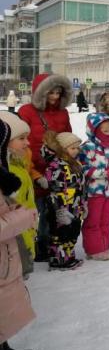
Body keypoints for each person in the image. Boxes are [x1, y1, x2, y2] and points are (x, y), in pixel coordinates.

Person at [18, 73, 72, 262]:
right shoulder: (26, 111)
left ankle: (46, 243)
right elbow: (20, 140)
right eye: (51, 92)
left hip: (55, 168)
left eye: (59, 92)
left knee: (52, 208)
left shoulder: (63, 112)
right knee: (33, 209)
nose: (55, 96)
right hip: (31, 166)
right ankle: (28, 245)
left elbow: (67, 138)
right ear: (41, 92)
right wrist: (28, 166)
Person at [0, 118, 37, 350]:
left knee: (5, 302)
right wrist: (23, 215)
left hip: (7, 252)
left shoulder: (7, 167)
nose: (27, 143)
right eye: (20, 138)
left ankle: (2, 347)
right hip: (5, 247)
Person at [79, 113, 109, 261]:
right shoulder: (87, 147)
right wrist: (105, 173)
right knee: (93, 220)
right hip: (94, 191)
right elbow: (83, 169)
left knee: (106, 219)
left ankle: (104, 247)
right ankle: (93, 250)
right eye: (104, 131)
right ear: (94, 130)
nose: (108, 134)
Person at [0, 112, 36, 276]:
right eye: (21, 138)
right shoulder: (10, 176)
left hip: (21, 242)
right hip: (11, 251)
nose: (27, 143)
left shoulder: (19, 167)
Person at [44, 132, 85, 271]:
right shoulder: (56, 165)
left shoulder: (75, 163)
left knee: (73, 230)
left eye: (77, 148)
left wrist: (82, 203)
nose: (76, 151)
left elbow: (80, 183)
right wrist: (58, 209)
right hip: (62, 205)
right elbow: (53, 188)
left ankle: (69, 256)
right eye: (72, 148)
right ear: (62, 149)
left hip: (75, 204)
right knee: (61, 232)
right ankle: (58, 259)